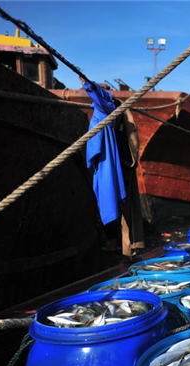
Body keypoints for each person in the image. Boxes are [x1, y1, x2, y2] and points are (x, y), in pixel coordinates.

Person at [81, 77, 127, 250]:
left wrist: (87, 83)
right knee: (107, 197)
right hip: (105, 161)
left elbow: (99, 95)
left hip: (103, 162)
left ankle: (110, 241)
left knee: (105, 197)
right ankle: (111, 240)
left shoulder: (103, 108)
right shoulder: (110, 111)